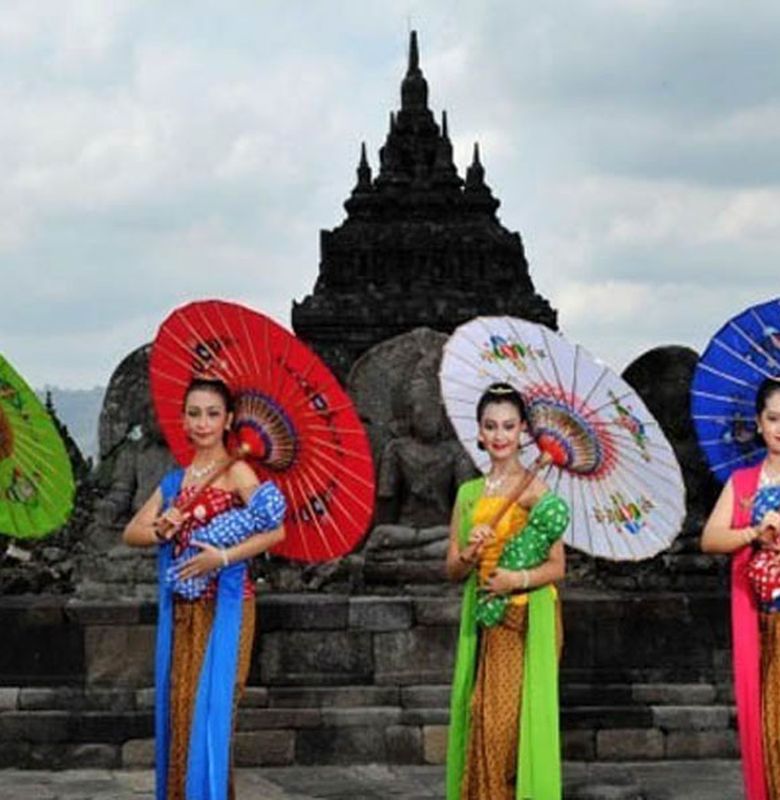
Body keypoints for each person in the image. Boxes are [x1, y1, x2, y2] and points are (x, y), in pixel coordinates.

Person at [123, 378, 286, 800]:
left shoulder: (238, 471)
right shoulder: (176, 482)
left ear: (228, 419)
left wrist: (223, 558)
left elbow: (275, 529)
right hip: (183, 611)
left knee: (210, 719)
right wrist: (162, 528)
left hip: (227, 607)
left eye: (213, 414)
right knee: (181, 716)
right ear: (182, 418)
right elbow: (132, 532)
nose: (203, 423)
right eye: (194, 413)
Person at [445, 382, 569, 800]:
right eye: (491, 426)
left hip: (527, 616)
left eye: (509, 426)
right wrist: (469, 553)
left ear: (523, 434)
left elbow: (557, 567)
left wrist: (515, 580)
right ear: (479, 432)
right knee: (480, 713)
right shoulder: (468, 494)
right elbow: (451, 569)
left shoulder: (538, 491)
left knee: (512, 726)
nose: (500, 435)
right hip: (484, 617)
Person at [702, 376, 780, 800]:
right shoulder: (745, 485)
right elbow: (711, 539)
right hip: (765, 624)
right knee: (770, 729)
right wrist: (754, 533)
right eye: (773, 418)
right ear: (759, 422)